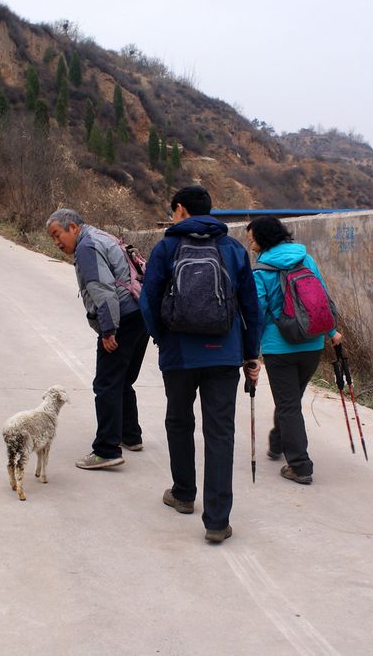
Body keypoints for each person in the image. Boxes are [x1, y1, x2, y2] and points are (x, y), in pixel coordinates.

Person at [139, 186, 262, 543]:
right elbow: (251, 309)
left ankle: (182, 493)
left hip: (179, 355)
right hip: (223, 354)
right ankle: (217, 522)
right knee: (220, 433)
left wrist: (163, 339)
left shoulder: (166, 248)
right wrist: (250, 354)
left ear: (180, 210)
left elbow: (148, 301)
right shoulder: (233, 249)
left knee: (179, 421)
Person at [46, 208, 149, 470]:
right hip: (141, 313)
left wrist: (108, 330)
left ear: (73, 228)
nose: (57, 242)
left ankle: (106, 449)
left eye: (58, 234)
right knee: (123, 379)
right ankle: (130, 435)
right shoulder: (102, 236)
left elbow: (103, 291)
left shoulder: (87, 247)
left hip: (122, 318)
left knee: (106, 383)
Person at [245, 216, 342, 485]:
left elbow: (259, 314)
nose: (250, 242)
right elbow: (321, 299)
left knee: (288, 404)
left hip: (280, 348)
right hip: (312, 344)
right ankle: (278, 441)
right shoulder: (305, 259)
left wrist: (251, 352)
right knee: (291, 401)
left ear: (263, 239)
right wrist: (331, 331)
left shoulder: (261, 271)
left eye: (252, 237)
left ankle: (299, 465)